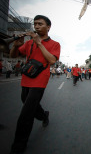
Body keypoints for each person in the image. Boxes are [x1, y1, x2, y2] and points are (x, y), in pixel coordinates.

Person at [9, 15, 60, 154]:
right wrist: (15, 45)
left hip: (40, 80)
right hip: (26, 78)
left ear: (48, 27)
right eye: (35, 24)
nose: (36, 26)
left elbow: (51, 60)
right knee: (27, 104)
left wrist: (39, 43)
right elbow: (14, 55)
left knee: (26, 114)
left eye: (40, 24)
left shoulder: (55, 44)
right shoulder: (29, 43)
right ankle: (44, 115)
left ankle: (18, 146)